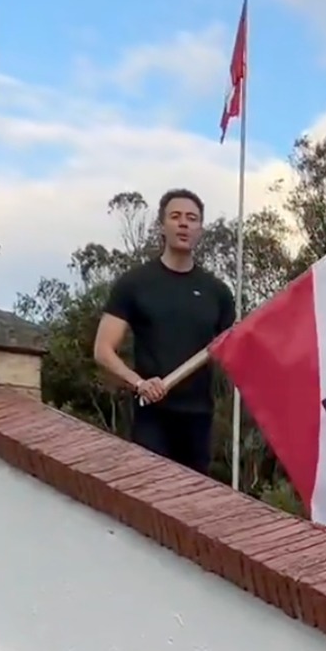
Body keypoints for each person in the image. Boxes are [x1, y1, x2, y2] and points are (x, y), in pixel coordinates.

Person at [93, 188, 236, 475]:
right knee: (150, 499)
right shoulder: (135, 284)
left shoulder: (217, 293)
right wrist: (139, 383)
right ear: (162, 226)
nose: (184, 224)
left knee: (191, 505)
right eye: (176, 216)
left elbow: (231, 352)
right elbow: (103, 350)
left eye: (192, 218)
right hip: (152, 415)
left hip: (198, 418)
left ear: (200, 229)